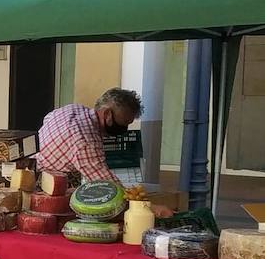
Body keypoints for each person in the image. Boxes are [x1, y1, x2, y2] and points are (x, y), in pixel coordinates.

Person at [35, 87, 175, 218]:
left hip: (41, 168)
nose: (124, 129)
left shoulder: (73, 109)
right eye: (124, 123)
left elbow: (47, 119)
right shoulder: (86, 139)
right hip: (46, 189)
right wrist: (150, 208)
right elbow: (108, 187)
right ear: (107, 114)